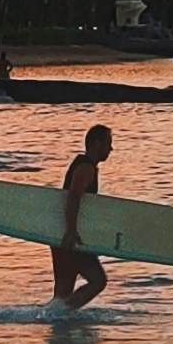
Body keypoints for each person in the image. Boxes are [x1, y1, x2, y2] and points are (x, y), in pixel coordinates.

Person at [52, 123, 112, 310]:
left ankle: (56, 326)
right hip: (70, 235)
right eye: (108, 143)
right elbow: (73, 198)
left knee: (63, 291)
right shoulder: (86, 168)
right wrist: (71, 231)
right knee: (98, 280)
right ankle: (63, 314)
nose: (111, 148)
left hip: (58, 233)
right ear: (96, 144)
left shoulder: (83, 165)